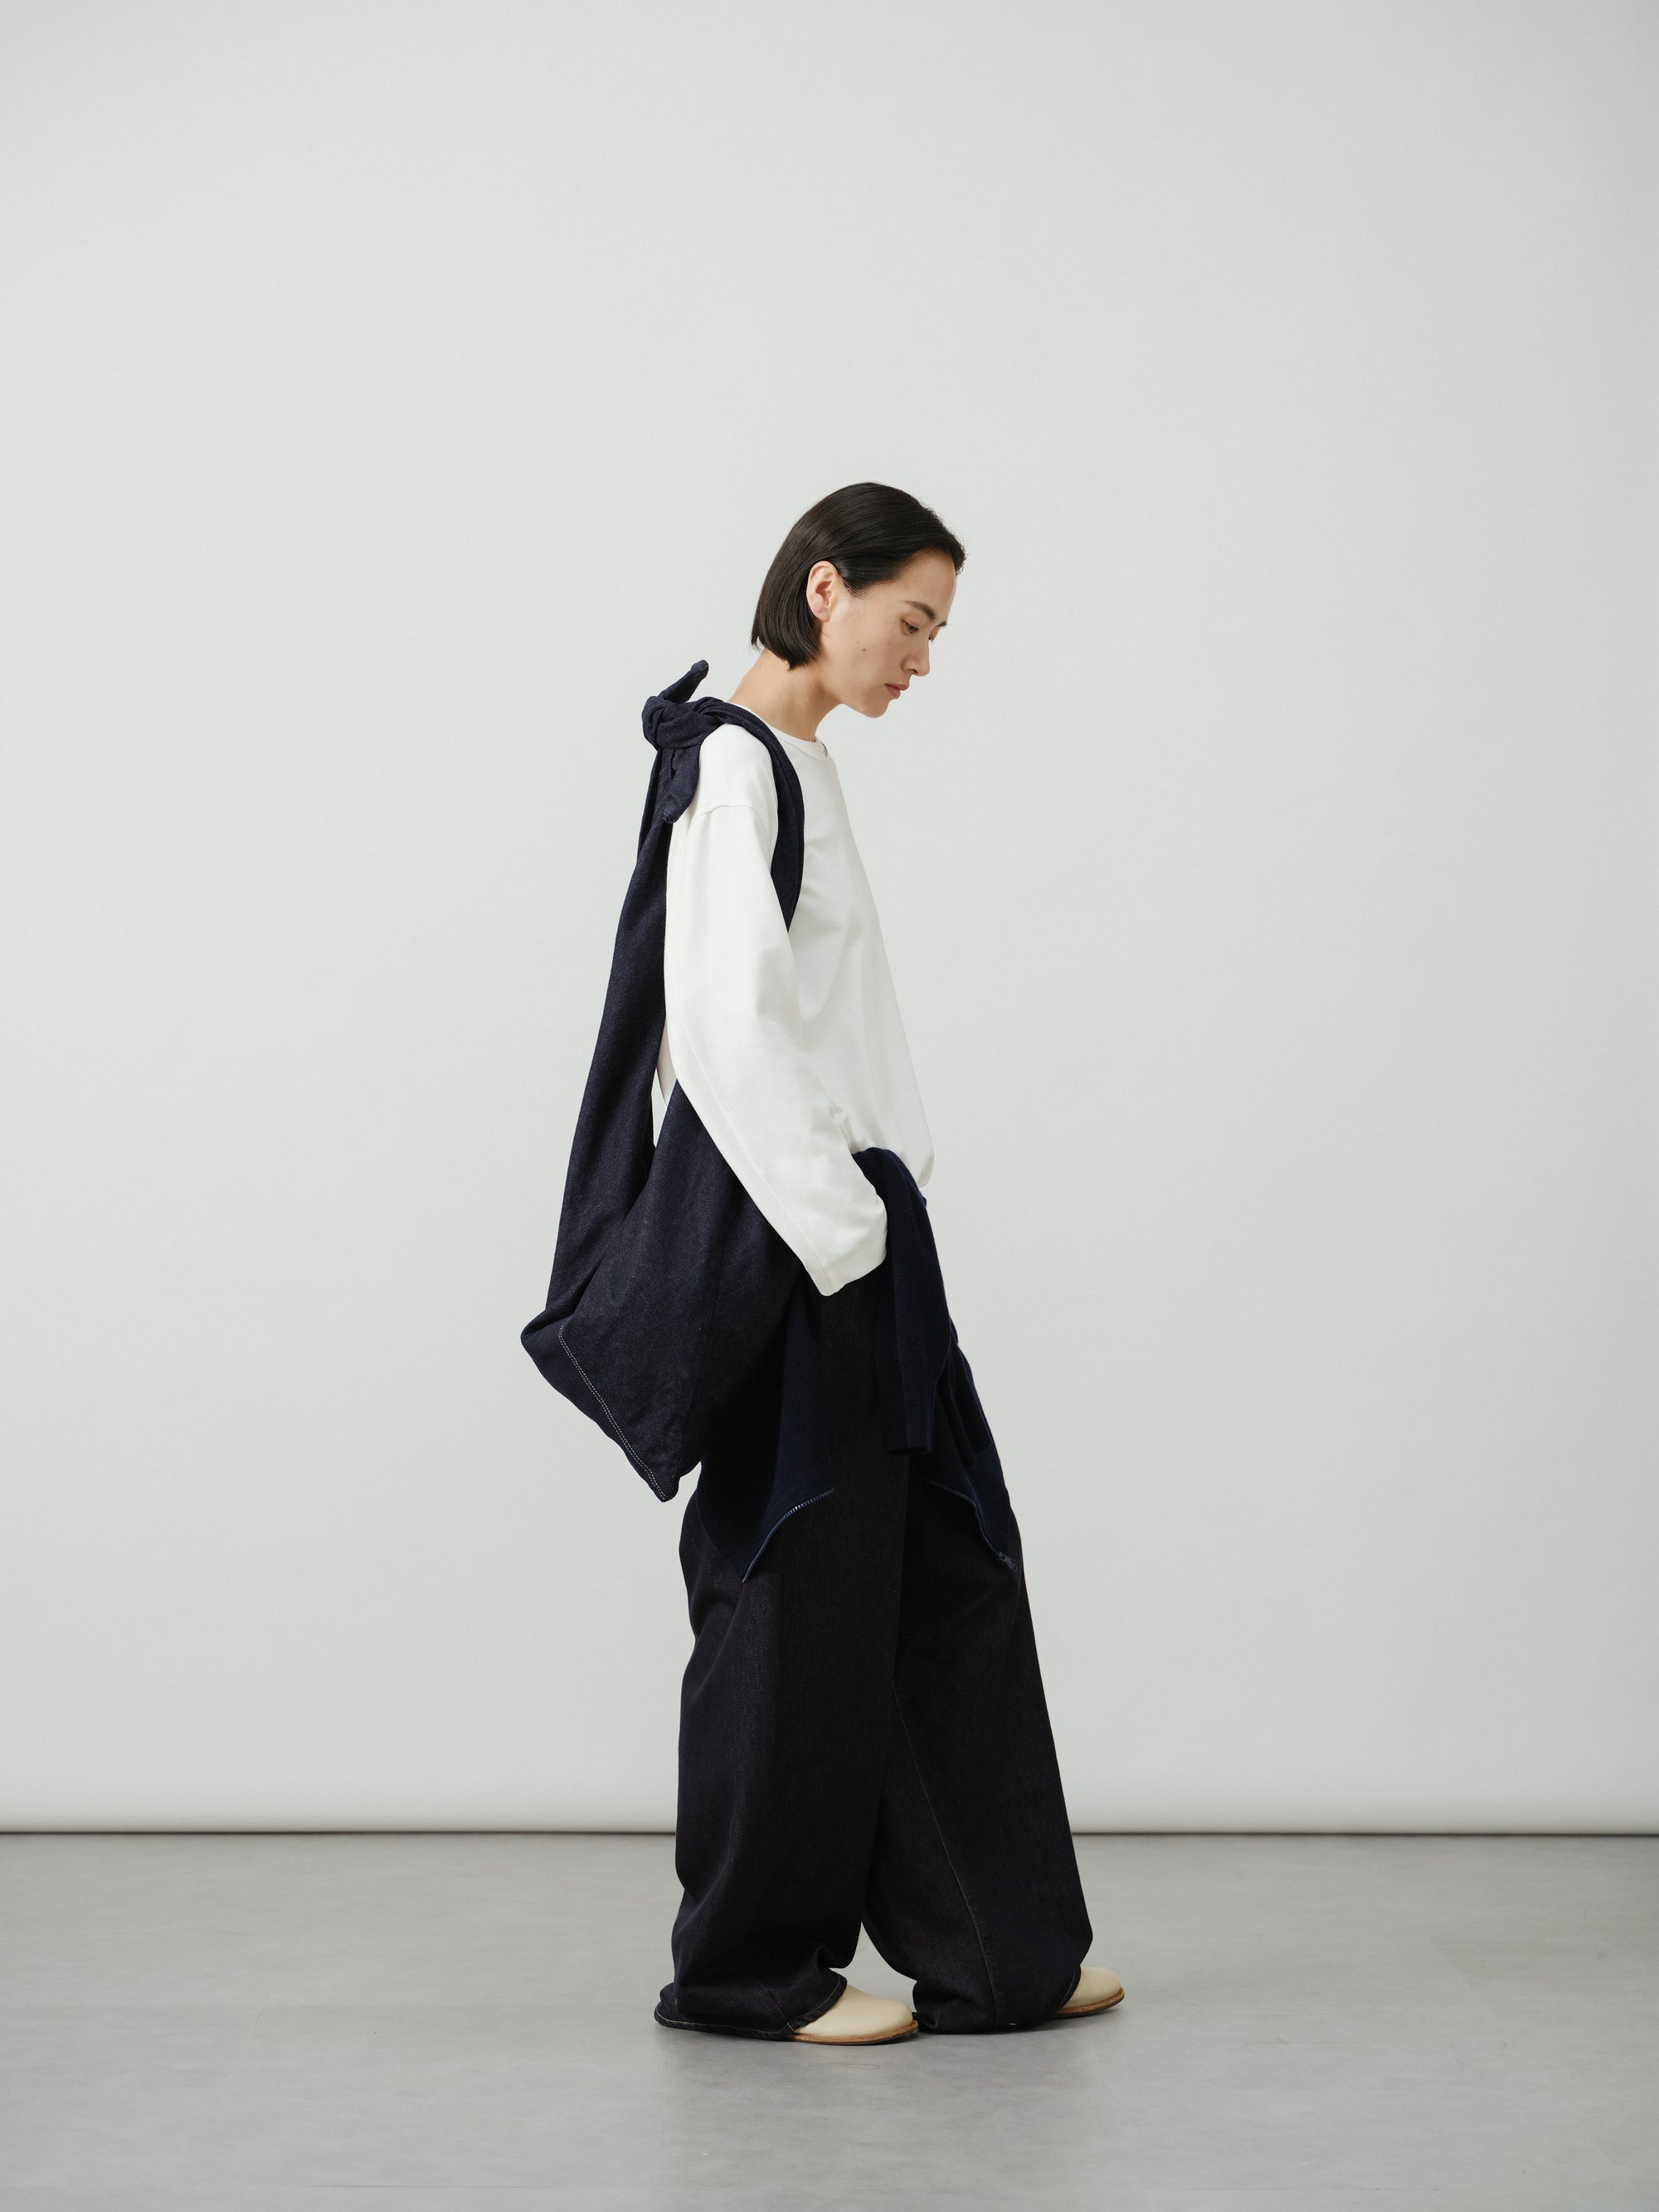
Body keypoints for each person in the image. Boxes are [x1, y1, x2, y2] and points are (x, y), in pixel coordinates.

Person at [651, 483, 1125, 2045]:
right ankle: (746, 1971)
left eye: (936, 631)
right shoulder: (729, 764)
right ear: (825, 588)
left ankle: (998, 1951)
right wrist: (842, 1234)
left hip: (866, 1233)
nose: (922, 657)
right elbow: (725, 1033)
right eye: (911, 621)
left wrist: (882, 1218)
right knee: (791, 1591)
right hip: (808, 1245)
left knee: (946, 1572)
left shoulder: (803, 762)